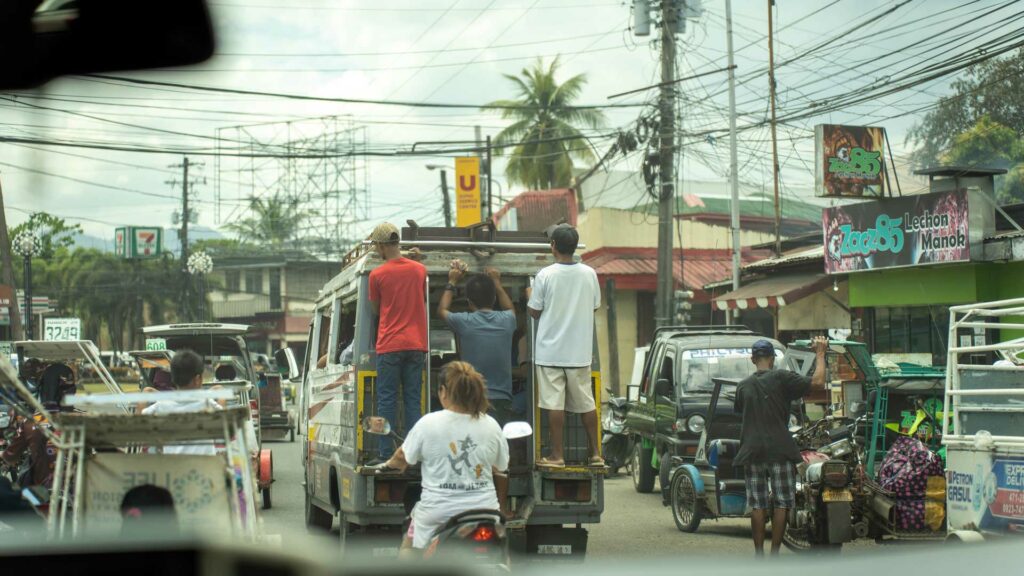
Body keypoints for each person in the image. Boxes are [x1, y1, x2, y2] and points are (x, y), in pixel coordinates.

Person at [379, 361, 509, 554]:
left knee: (408, 546)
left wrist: (386, 465)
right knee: (502, 550)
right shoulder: (492, 425)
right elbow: (501, 467)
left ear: (443, 392)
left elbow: (401, 457)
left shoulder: (428, 423)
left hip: (437, 515)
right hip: (485, 512)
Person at [734, 336, 828, 557]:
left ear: (752, 359)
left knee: (757, 505)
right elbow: (818, 383)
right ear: (773, 359)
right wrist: (821, 354)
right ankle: (775, 554)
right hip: (780, 451)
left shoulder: (743, 386)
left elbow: (740, 411)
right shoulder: (782, 378)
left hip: (752, 451)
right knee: (782, 503)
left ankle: (759, 555)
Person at [527, 223, 602, 467]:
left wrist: (529, 296)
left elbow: (534, 312)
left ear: (553, 246)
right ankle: (596, 454)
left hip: (550, 352)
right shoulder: (589, 273)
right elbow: (594, 306)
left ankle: (557, 456)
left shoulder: (545, 275)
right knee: (586, 403)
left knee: (553, 404)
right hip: (579, 352)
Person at [368, 222, 428, 460]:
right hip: (416, 344)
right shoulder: (419, 269)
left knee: (387, 401)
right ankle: (413, 454)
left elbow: (376, 309)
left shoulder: (377, 275)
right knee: (414, 400)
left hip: (390, 345)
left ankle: (387, 454)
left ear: (382, 245)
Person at [438, 263, 517, 425]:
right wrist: (497, 283)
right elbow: (510, 309)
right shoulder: (507, 320)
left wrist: (452, 281)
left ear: (469, 302)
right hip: (501, 398)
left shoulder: (464, 321)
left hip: (471, 395)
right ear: (494, 298)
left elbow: (442, 310)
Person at [142, 350, 222, 456]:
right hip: (204, 468)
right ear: (198, 379)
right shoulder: (206, 403)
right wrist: (221, 395)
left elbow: (141, 418)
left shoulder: (162, 405)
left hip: (175, 467)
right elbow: (225, 421)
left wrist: (144, 395)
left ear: (173, 378)